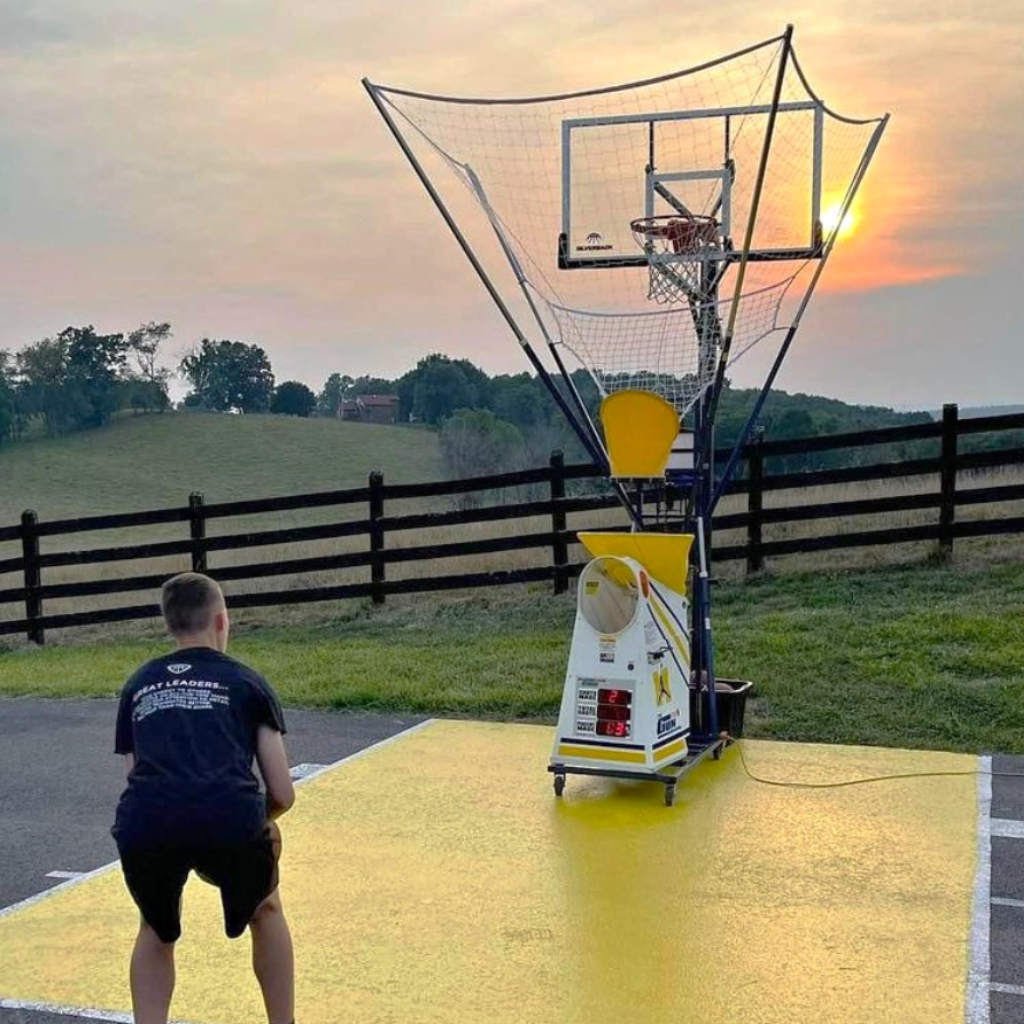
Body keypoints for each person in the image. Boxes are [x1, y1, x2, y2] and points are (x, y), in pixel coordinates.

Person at [112, 572, 296, 1024]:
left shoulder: (138, 685)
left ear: (168, 624)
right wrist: (258, 819)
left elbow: (136, 775)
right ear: (221, 620)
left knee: (154, 927)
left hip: (149, 823)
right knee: (266, 908)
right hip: (228, 819)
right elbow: (282, 790)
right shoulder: (247, 682)